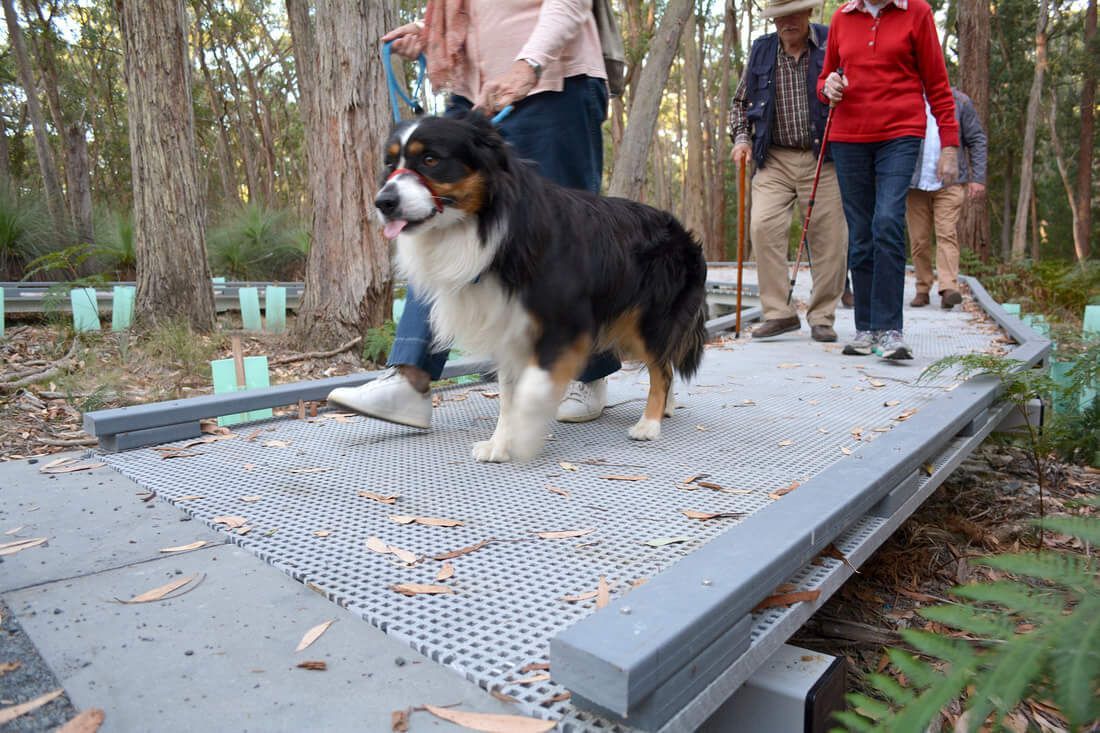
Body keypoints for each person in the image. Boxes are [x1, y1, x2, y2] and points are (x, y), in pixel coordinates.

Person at [328, 1, 617, 429]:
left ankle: (585, 374)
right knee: (432, 219)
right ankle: (411, 377)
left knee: (567, 236)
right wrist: (429, 32)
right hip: (471, 92)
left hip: (554, 83)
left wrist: (529, 64)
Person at [819, 0, 959, 361]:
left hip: (900, 134)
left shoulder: (918, 13)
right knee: (861, 232)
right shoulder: (841, 17)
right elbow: (826, 78)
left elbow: (938, 85)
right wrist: (828, 86)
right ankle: (865, 329)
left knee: (887, 222)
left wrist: (950, 146)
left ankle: (890, 330)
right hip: (849, 137)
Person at [729, 0, 848, 344]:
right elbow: (740, 103)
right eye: (781, 15)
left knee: (830, 238)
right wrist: (741, 139)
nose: (788, 21)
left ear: (809, 13)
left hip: (823, 155)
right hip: (775, 156)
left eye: (795, 13)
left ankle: (822, 316)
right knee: (763, 225)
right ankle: (779, 313)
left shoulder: (829, 43)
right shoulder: (762, 51)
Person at [906, 87, 987, 310]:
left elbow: (977, 139)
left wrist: (977, 178)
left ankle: (948, 288)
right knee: (919, 239)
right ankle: (923, 287)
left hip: (950, 183)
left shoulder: (960, 102)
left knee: (947, 233)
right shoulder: (908, 98)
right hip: (915, 183)